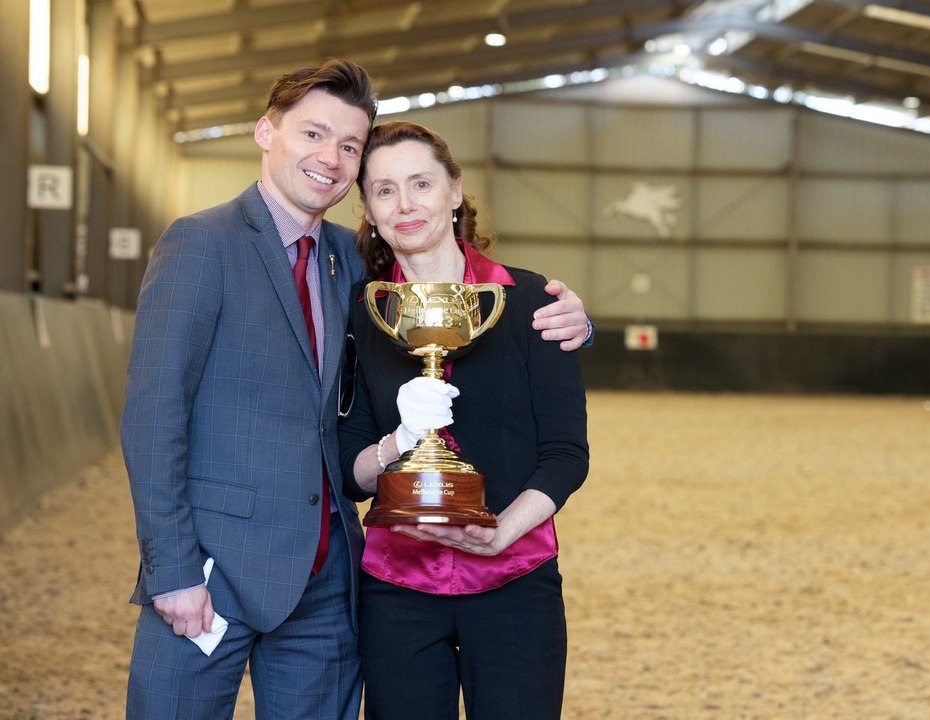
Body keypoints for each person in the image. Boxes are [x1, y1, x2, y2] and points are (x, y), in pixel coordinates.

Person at [121, 59, 591, 720]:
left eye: (348, 145)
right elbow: (154, 415)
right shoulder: (208, 245)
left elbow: (555, 429)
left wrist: (578, 324)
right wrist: (170, 568)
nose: (330, 158)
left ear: (454, 190)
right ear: (265, 132)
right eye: (313, 134)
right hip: (220, 569)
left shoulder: (351, 267)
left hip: (331, 580)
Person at [338, 121, 589, 720]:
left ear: (455, 191)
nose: (405, 204)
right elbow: (349, 471)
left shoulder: (533, 302)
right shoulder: (363, 313)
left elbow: (566, 455)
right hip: (397, 589)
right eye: (385, 190)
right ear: (369, 210)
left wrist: (503, 533)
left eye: (421, 183)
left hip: (515, 580)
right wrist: (398, 441)